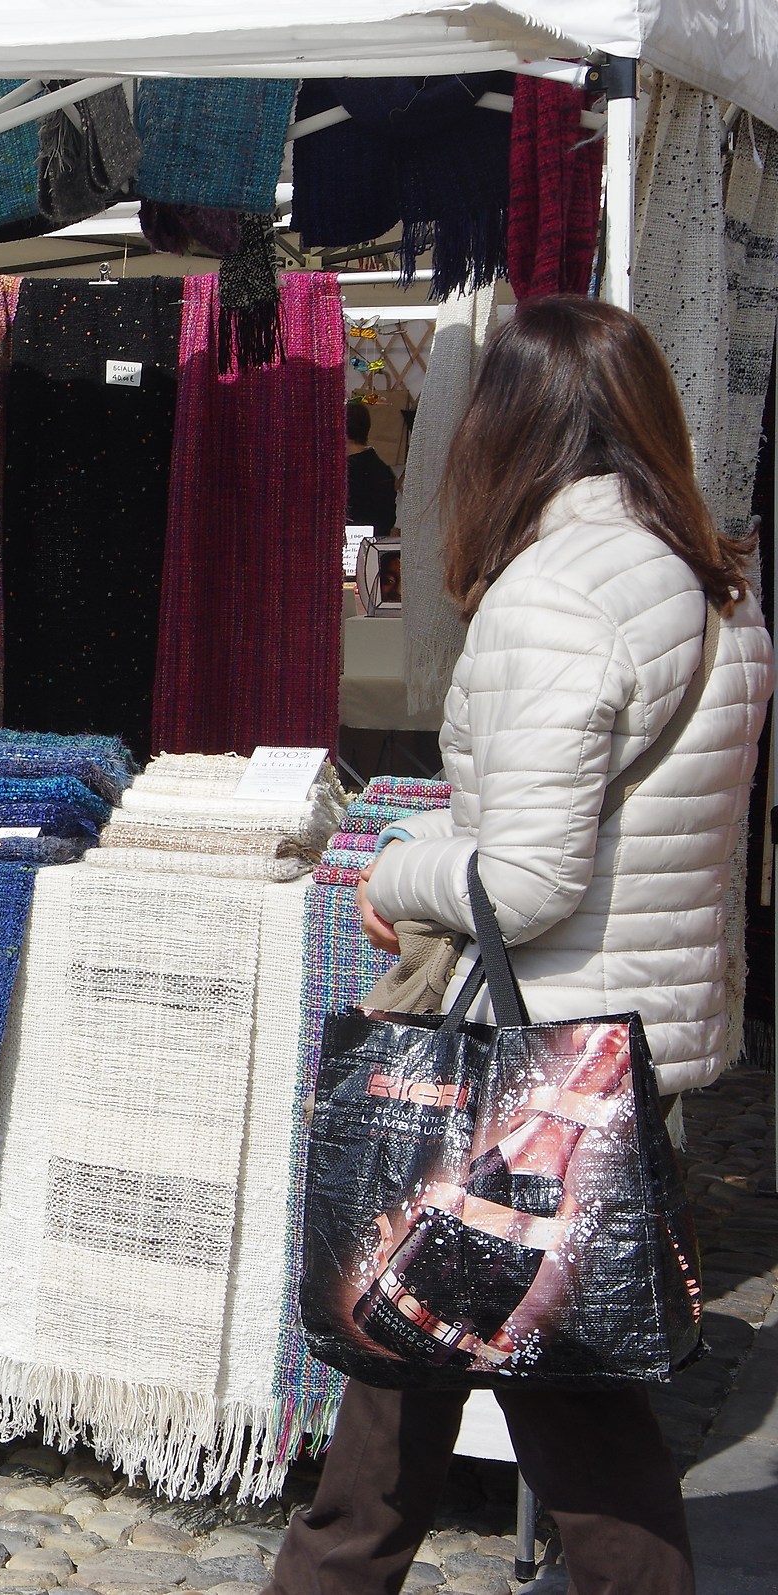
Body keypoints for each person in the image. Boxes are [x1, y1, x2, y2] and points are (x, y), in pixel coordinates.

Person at [271, 297, 771, 1594]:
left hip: (532, 1060)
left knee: (555, 1415)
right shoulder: (710, 582)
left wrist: (397, 868)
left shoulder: (554, 595)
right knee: (440, 1393)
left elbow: (532, 875)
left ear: (502, 430)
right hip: (614, 1045)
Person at [345, 401, 398, 534]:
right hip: (375, 549)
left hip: (348, 549)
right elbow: (388, 520)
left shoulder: (342, 474)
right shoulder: (384, 470)